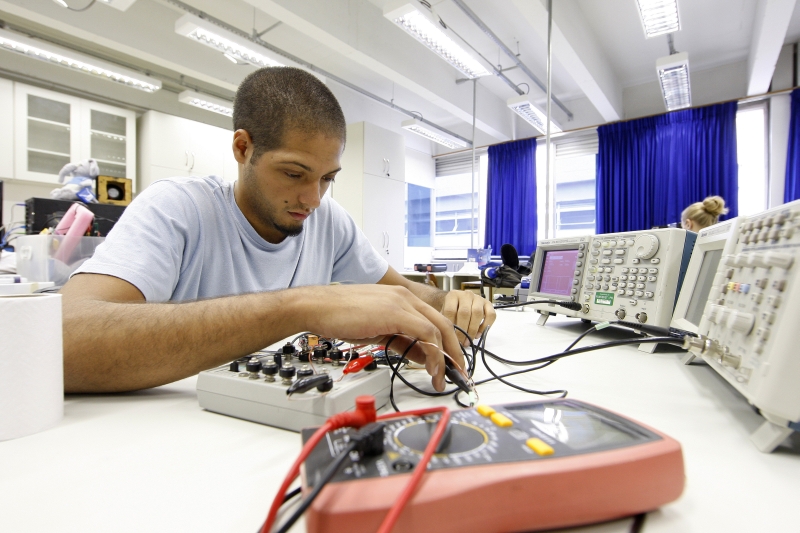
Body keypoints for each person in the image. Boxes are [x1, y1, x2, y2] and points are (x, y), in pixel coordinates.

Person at [60, 67, 495, 394]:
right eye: (293, 173)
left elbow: (401, 291)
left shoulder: (328, 221)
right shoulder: (177, 208)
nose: (313, 198)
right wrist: (300, 307)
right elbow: (62, 338)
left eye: (327, 178)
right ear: (242, 148)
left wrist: (449, 303)